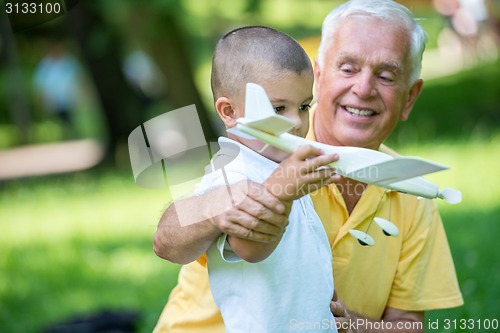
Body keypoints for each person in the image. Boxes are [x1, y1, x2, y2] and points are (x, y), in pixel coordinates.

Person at [153, 1, 464, 332]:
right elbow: (167, 240)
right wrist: (223, 205)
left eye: (386, 76)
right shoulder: (263, 149)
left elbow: (408, 324)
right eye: (347, 68)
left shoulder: (408, 186)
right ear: (319, 75)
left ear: (410, 97)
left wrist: (353, 325)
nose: (363, 88)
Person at [184, 26, 340, 332]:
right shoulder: (230, 175)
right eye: (278, 108)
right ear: (229, 112)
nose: (296, 123)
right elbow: (250, 249)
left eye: (304, 106)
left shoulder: (277, 163)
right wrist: (282, 190)